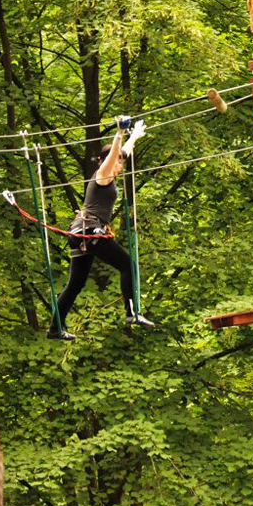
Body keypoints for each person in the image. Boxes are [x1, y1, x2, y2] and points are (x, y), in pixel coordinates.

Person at [48, 118, 152, 340]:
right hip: (90, 230)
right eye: (118, 162)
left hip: (82, 233)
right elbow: (116, 153)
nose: (121, 164)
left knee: (76, 283)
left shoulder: (110, 176)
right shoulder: (102, 175)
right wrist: (119, 134)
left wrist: (133, 137)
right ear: (106, 161)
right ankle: (131, 313)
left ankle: (55, 328)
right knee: (128, 265)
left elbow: (122, 153)